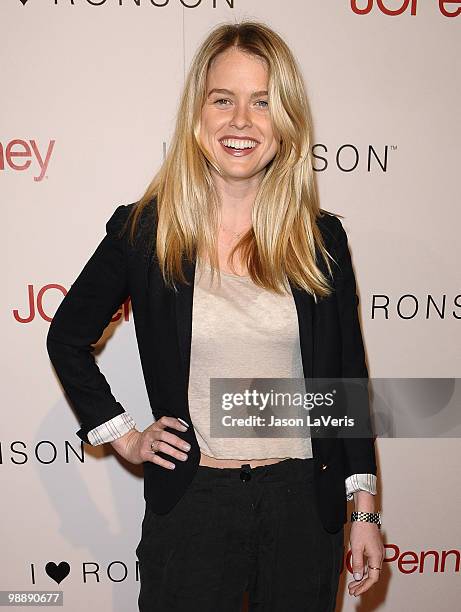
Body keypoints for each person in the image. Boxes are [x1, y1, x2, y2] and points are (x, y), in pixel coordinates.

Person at [47, 20, 384, 612]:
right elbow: (67, 337)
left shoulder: (320, 238)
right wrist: (122, 436)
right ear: (197, 115)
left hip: (305, 505)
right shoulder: (145, 231)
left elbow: (344, 385)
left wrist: (365, 513)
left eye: (262, 103)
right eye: (223, 100)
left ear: (286, 123)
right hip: (194, 504)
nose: (241, 122)